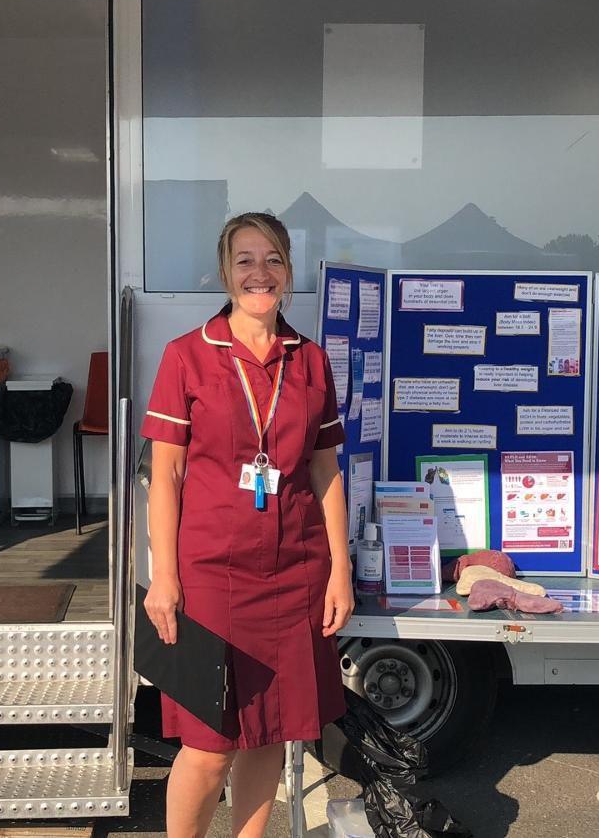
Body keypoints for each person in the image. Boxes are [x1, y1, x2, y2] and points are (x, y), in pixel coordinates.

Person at [141, 212, 353, 838]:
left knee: (271, 735)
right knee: (209, 745)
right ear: (225, 271)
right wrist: (164, 577)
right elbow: (167, 478)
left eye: (272, 260)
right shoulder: (186, 356)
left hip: (295, 572)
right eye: (245, 260)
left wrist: (339, 571)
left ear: (287, 270)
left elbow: (325, 472)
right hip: (210, 575)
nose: (259, 273)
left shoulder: (310, 360)